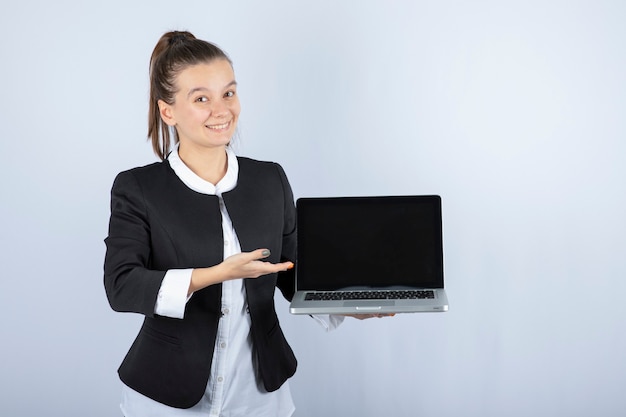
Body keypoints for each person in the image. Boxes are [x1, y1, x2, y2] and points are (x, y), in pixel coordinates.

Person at [104, 30, 387, 417]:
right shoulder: (138, 187)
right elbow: (121, 285)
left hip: (259, 395)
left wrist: (351, 303)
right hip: (165, 396)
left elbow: (292, 274)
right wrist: (214, 274)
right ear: (167, 111)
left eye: (229, 93)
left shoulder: (269, 179)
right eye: (201, 98)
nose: (221, 110)